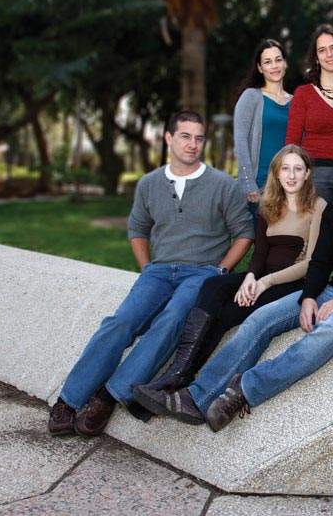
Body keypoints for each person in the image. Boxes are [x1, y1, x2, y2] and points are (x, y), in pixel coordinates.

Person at [136, 131, 333, 433]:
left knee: (330, 329)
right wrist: (309, 297)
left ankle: (246, 389)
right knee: (259, 319)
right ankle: (197, 397)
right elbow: (320, 261)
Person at [47, 111, 254, 437]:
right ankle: (69, 400)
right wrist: (147, 268)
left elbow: (244, 233)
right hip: (158, 272)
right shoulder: (149, 184)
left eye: (199, 138)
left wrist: (221, 270)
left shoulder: (223, 186)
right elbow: (138, 229)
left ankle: (109, 395)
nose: (193, 144)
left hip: (201, 273)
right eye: (185, 136)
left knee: (172, 319)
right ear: (168, 138)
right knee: (121, 321)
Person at [131, 145, 325, 404]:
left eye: (298, 169)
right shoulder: (268, 206)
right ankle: (176, 374)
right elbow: (259, 255)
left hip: (290, 283)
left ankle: (180, 378)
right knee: (213, 286)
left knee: (225, 315)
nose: (291, 175)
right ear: (277, 174)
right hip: (261, 277)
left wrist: (264, 282)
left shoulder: (318, 206)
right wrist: (249, 278)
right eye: (285, 169)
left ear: (307, 173)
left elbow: (311, 263)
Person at [285, 24, 333, 205]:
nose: (329, 54)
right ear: (316, 58)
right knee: (316, 232)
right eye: (322, 50)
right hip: (315, 177)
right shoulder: (303, 94)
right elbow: (291, 143)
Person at [233, 39, 293, 220]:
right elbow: (240, 141)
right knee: (263, 243)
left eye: (278, 60)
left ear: (285, 63)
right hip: (259, 186)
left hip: (289, 185)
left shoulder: (296, 101)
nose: (274, 66)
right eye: (268, 62)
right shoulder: (251, 97)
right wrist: (248, 183)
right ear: (260, 68)